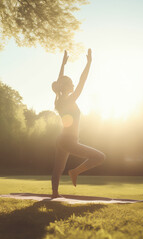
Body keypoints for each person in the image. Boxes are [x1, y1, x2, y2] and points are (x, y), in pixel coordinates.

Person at [51, 49, 105, 198]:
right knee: (100, 157)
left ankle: (55, 194)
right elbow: (82, 81)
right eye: (71, 83)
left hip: (63, 139)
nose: (74, 85)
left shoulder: (60, 100)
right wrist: (88, 63)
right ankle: (75, 172)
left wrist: (63, 64)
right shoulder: (69, 100)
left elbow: (60, 81)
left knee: (58, 168)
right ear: (67, 87)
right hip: (68, 141)